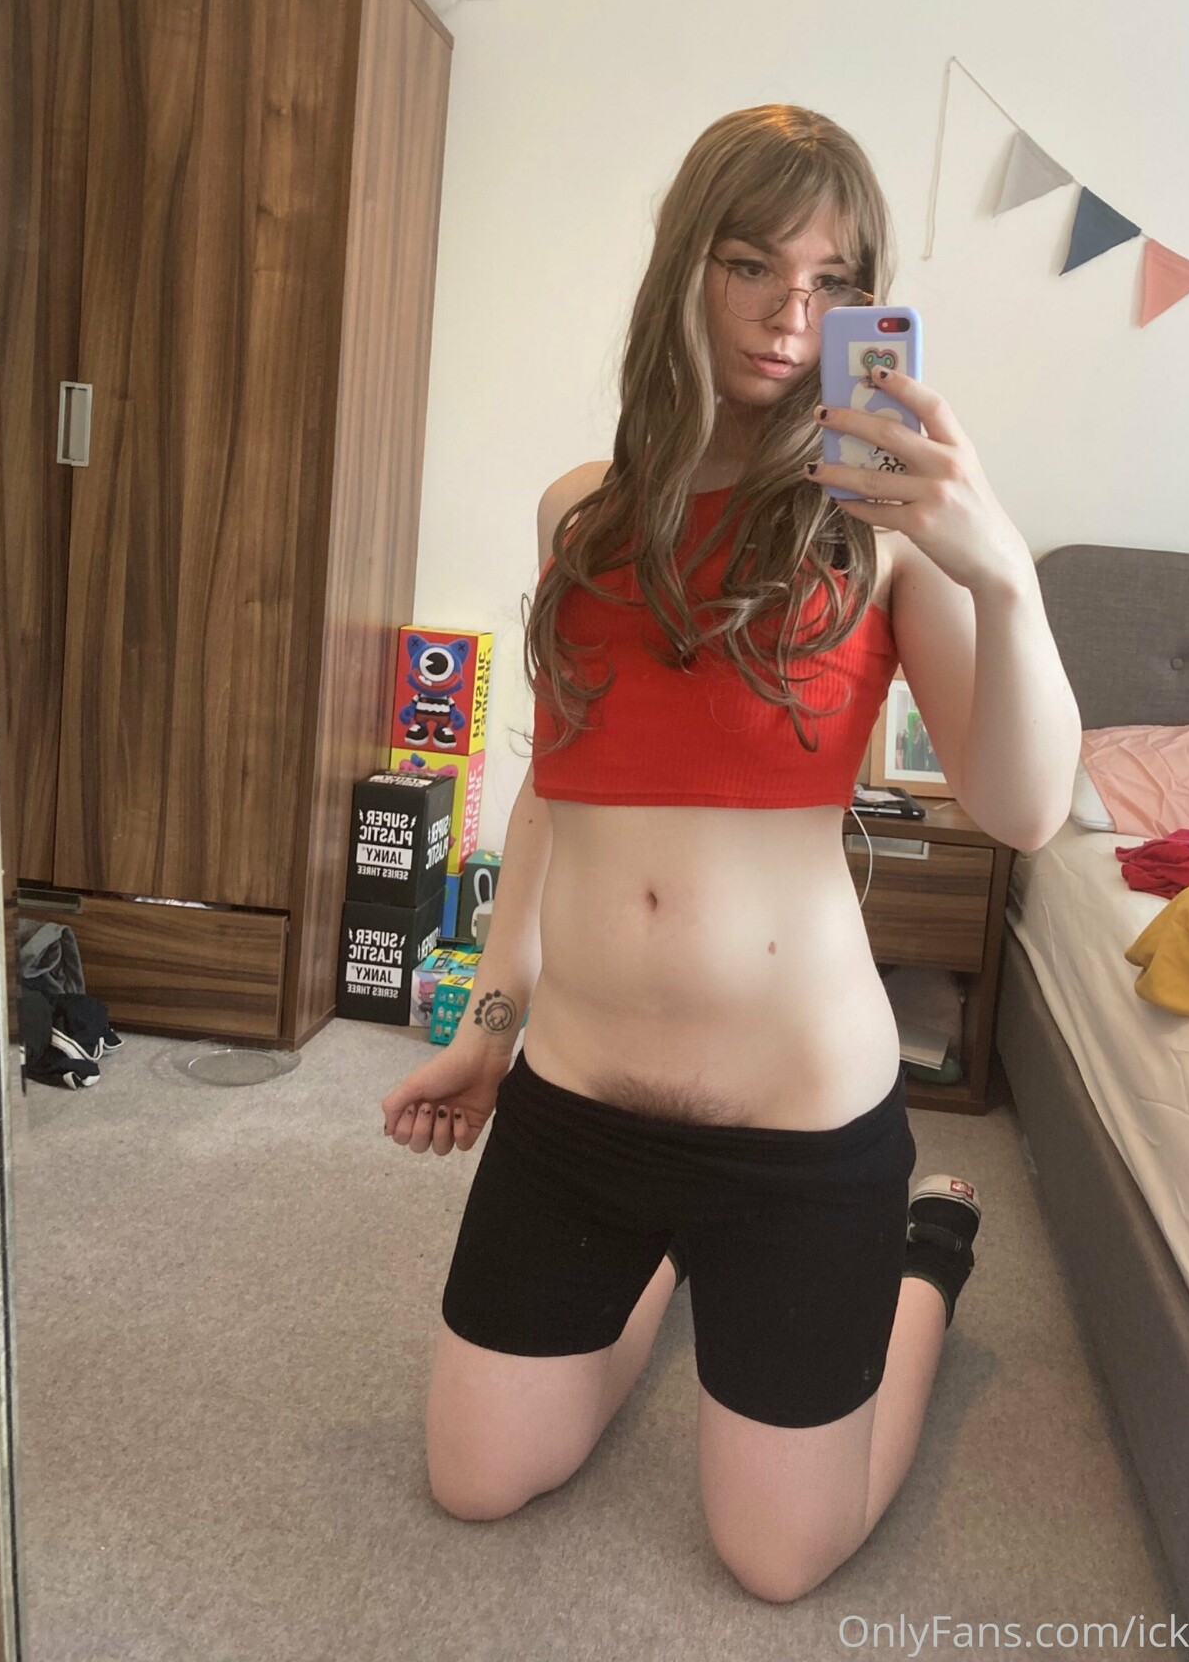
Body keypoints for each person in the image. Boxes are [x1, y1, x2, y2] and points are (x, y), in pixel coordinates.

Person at [380, 105, 1082, 1603]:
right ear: (684, 267)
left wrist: (1005, 576)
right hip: (580, 1106)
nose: (789, 314)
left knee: (775, 1559)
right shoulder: (583, 514)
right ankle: (674, 1266)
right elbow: (555, 788)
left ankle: (924, 1256)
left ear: (870, 304)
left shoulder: (882, 533)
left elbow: (1026, 808)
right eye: (752, 263)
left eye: (835, 282)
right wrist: (493, 1022)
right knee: (475, 1478)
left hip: (799, 1125)